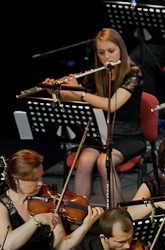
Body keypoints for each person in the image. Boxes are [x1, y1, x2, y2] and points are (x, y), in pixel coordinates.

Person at [43, 28, 145, 203]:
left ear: (121, 48)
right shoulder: (98, 70)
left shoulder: (133, 72)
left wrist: (80, 92)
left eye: (111, 51)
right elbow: (74, 95)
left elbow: (112, 104)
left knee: (104, 163)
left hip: (128, 134)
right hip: (101, 133)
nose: (107, 57)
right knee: (84, 161)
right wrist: (57, 92)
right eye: (101, 52)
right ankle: (78, 219)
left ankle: (115, 217)